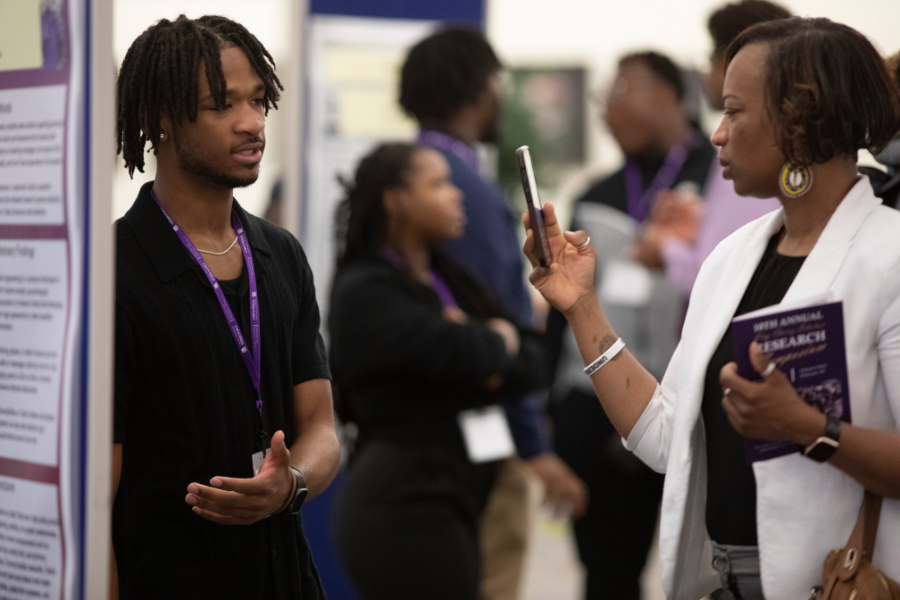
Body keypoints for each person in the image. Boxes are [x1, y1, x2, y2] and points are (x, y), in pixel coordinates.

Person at [524, 17, 900, 600]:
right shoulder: (734, 258)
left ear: (798, 118)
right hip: (722, 583)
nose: (717, 134)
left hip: (835, 584)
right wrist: (581, 307)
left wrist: (807, 428)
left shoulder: (889, 256)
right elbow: (664, 438)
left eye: (734, 111)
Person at [112, 15, 340, 599]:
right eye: (222, 104)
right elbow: (96, 492)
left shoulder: (281, 254)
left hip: (286, 578)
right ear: (158, 120)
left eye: (259, 100)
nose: (252, 123)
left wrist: (289, 484)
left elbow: (321, 430)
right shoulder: (113, 268)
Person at [399, 27, 588, 600]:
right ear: (482, 89)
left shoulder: (400, 173)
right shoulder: (466, 190)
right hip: (479, 438)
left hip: (415, 431)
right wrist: (533, 446)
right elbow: (501, 324)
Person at [328, 143, 546, 600]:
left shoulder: (450, 277)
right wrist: (489, 343)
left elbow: (530, 361)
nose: (456, 196)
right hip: (402, 508)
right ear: (396, 200)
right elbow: (466, 352)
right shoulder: (365, 290)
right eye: (438, 184)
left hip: (459, 498)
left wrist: (483, 343)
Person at [545, 50, 714, 600]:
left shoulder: (721, 182)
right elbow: (560, 307)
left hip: (689, 403)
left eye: (620, 91)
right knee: (607, 573)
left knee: (704, 573)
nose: (605, 109)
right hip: (594, 411)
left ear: (667, 96)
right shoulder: (597, 194)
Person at [632, 0, 789, 294]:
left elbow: (725, 278)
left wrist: (665, 250)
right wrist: (698, 220)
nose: (717, 136)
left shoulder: (753, 154)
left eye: (712, 57)